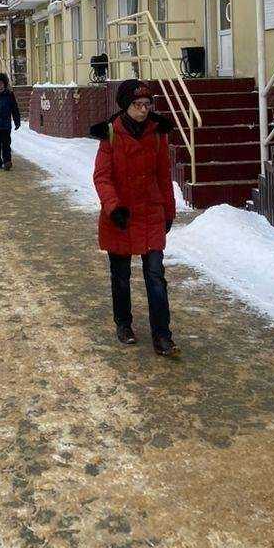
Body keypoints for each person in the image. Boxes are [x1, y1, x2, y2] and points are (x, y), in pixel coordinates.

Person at [91, 80, 179, 357]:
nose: (142, 110)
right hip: (120, 216)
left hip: (151, 213)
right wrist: (113, 207)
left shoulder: (157, 133)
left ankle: (163, 336)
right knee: (121, 276)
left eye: (146, 105)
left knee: (155, 276)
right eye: (136, 105)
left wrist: (169, 210)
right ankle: (124, 324)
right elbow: (102, 176)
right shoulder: (111, 134)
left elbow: (164, 176)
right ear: (125, 106)